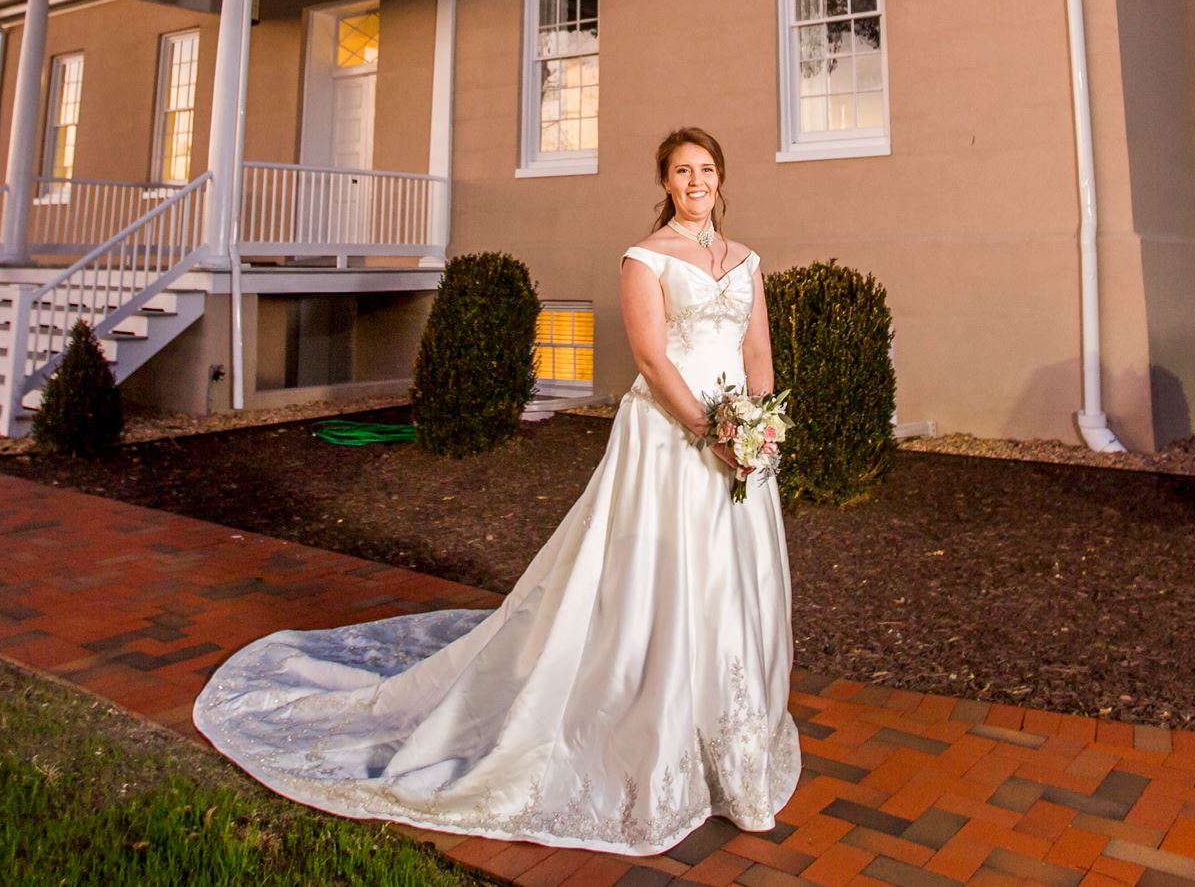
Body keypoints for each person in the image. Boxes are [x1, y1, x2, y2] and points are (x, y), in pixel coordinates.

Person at [193, 125, 800, 854]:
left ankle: (729, 733)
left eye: (706, 168)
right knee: (662, 574)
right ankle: (654, 717)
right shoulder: (646, 257)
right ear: (665, 182)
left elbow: (757, 349)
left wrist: (758, 426)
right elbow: (650, 354)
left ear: (721, 177)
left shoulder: (746, 259)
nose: (695, 181)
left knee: (733, 580)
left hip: (741, 444)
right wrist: (713, 430)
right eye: (681, 170)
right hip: (674, 438)